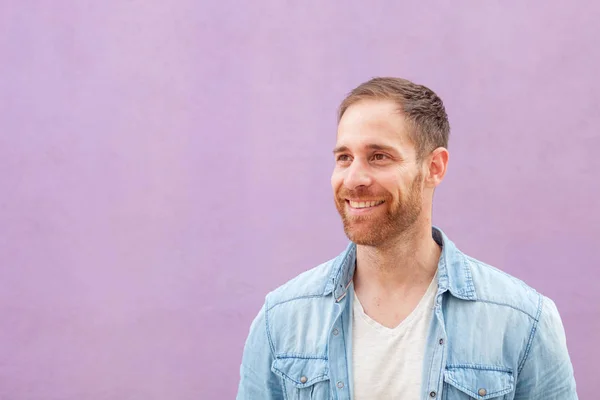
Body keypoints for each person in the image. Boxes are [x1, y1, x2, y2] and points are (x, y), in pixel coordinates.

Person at [236, 77, 578, 399]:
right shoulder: (281, 319)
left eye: (379, 156)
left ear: (435, 167)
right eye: (344, 157)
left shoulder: (522, 320)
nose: (354, 178)